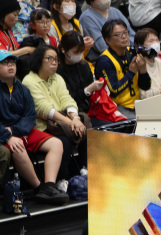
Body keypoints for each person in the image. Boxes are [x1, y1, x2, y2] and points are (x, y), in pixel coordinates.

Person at [0, 49, 68, 204]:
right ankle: (39, 188)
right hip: (4, 135)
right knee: (18, 147)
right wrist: (8, 137)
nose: (10, 65)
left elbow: (30, 116)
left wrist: (15, 131)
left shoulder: (22, 89)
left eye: (12, 62)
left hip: (20, 130)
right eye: (5, 63)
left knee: (56, 143)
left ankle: (49, 185)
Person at [23, 41, 86, 175]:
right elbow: (44, 109)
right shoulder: (29, 81)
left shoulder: (57, 78)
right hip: (42, 125)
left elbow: (67, 99)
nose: (54, 62)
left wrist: (75, 118)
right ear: (39, 60)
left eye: (56, 59)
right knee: (64, 142)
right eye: (49, 58)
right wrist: (71, 122)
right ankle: (62, 179)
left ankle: (84, 171)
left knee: (86, 133)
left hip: (61, 123)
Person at [95, 18, 149, 120]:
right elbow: (113, 91)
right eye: (118, 34)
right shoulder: (105, 61)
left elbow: (145, 86)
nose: (124, 37)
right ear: (108, 40)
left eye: (125, 33)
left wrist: (143, 70)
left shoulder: (131, 52)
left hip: (137, 104)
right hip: (116, 108)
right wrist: (131, 72)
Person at [57, 30, 106, 125]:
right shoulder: (58, 71)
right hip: (73, 112)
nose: (79, 54)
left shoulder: (84, 65)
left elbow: (91, 94)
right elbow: (68, 98)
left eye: (81, 51)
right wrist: (87, 90)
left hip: (90, 109)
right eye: (76, 52)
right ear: (63, 50)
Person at [135, 27, 161, 99]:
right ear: (141, 45)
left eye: (157, 40)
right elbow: (142, 95)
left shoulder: (159, 61)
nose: (156, 43)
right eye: (151, 41)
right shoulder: (138, 64)